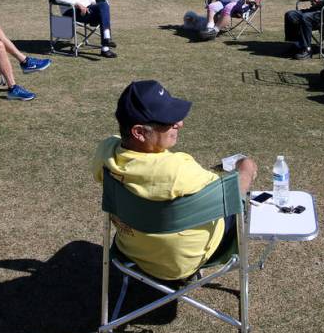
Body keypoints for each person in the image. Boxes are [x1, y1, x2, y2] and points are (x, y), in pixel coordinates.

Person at [90, 80, 258, 281]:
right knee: (237, 205)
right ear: (139, 132)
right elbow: (230, 194)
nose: (179, 124)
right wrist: (246, 169)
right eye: (167, 121)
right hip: (179, 265)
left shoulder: (105, 152)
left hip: (131, 250)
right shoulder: (177, 169)